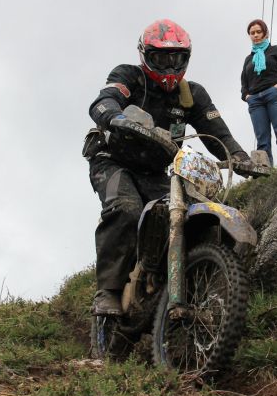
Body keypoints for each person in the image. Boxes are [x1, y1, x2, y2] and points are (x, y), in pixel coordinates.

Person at [84, 19, 251, 315]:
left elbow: (218, 131)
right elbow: (103, 101)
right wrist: (117, 118)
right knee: (126, 209)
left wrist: (240, 158)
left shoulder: (192, 95)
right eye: (162, 58)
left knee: (177, 217)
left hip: (155, 172)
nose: (170, 66)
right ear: (146, 55)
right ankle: (108, 291)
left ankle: (166, 283)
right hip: (113, 161)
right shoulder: (130, 77)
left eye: (177, 59)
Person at [240, 19, 277, 169]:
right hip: (255, 101)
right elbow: (244, 83)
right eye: (252, 33)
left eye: (259, 32)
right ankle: (266, 174)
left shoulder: (276, 50)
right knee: (262, 140)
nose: (256, 35)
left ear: (266, 33)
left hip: (275, 95)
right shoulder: (248, 59)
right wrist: (246, 96)